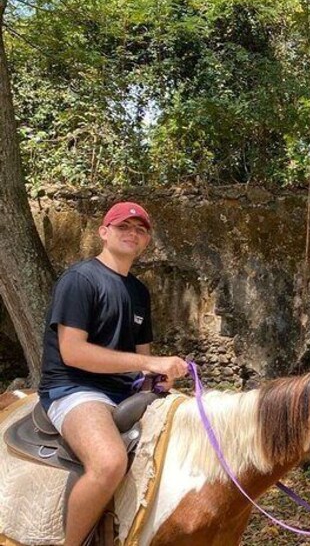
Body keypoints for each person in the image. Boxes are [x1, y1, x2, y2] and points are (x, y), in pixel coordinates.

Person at [37, 201, 189, 546]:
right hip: (75, 388)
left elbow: (142, 358)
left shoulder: (138, 291)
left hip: (125, 392)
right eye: (123, 227)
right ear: (103, 233)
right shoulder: (80, 279)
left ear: (147, 240)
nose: (132, 234)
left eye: (140, 230)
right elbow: (73, 352)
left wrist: (158, 378)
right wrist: (149, 365)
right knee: (108, 462)